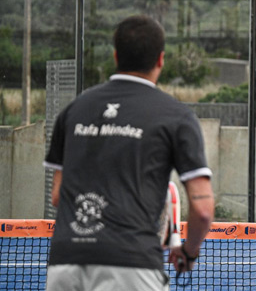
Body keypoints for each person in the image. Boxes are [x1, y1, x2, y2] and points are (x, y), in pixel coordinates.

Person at [43, 15, 215, 291]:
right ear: (160, 59)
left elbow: (57, 196)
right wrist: (189, 252)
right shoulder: (177, 116)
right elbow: (204, 211)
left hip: (66, 263)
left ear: (115, 56)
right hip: (132, 265)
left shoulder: (73, 111)